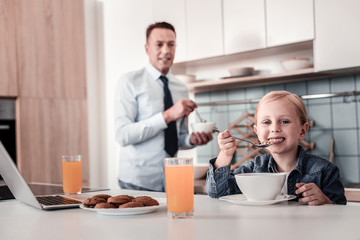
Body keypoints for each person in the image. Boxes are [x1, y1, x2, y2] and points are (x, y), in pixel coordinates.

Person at [115, 22, 213, 192]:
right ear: (147, 48)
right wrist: (168, 115)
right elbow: (123, 135)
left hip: (171, 180)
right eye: (159, 44)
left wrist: (192, 140)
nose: (166, 50)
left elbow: (178, 137)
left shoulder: (181, 88)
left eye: (171, 44)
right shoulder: (129, 82)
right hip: (137, 181)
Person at [206, 90, 347, 205]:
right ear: (257, 133)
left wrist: (324, 201)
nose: (274, 129)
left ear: (302, 131)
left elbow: (342, 213)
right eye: (266, 122)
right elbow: (218, 192)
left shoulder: (325, 171)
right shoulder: (255, 168)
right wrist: (224, 155)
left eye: (284, 121)